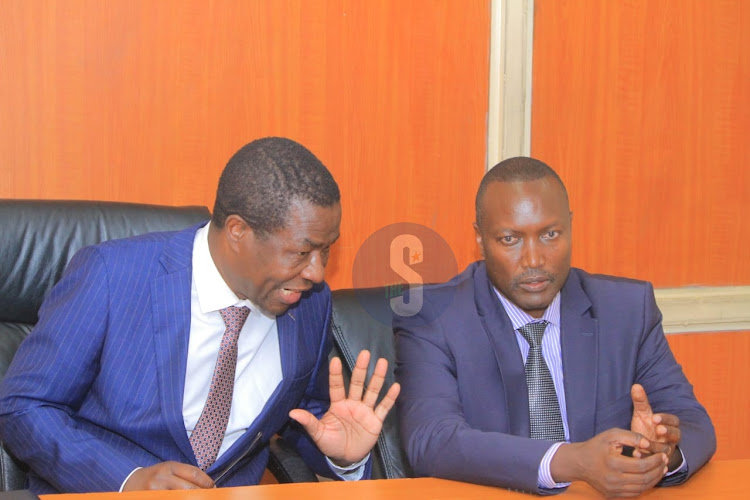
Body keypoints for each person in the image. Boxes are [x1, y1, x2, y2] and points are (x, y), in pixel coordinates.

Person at [0, 137, 400, 494]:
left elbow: (298, 419)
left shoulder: (309, 302)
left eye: (326, 250)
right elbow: (23, 406)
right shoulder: (111, 276)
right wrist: (125, 480)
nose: (316, 272)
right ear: (238, 231)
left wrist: (342, 457)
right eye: (301, 252)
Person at [393, 157, 715, 497]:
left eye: (550, 234)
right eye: (509, 239)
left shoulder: (627, 310)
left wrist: (660, 454)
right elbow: (432, 441)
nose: (534, 260)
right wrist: (573, 461)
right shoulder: (434, 317)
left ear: (570, 226)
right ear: (480, 239)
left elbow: (693, 424)